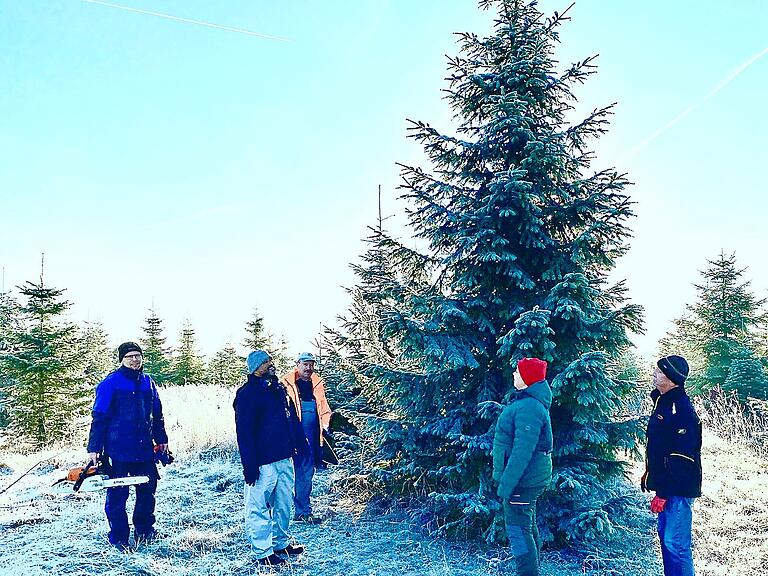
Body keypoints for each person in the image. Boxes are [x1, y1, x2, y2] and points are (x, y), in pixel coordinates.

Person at [86, 341, 169, 551]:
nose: (135, 359)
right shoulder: (111, 383)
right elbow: (99, 417)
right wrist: (94, 449)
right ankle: (119, 537)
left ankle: (145, 531)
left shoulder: (148, 382)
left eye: (137, 355)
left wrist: (162, 440)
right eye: (130, 356)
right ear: (122, 359)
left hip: (144, 450)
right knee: (117, 495)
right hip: (117, 451)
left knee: (147, 492)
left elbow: (157, 415)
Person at [234, 350, 308, 566]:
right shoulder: (247, 394)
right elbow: (244, 432)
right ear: (255, 367)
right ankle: (263, 552)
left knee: (284, 504)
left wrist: (301, 444)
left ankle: (280, 543)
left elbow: (291, 418)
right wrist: (249, 465)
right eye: (266, 362)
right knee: (258, 506)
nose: (271, 364)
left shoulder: (279, 389)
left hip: (284, 457)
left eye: (270, 360)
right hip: (262, 462)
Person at [492, 357, 553, 576]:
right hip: (528, 478)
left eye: (518, 373)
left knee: (518, 530)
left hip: (523, 480)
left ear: (528, 379)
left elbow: (522, 451)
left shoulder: (529, 407)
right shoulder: (528, 403)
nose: (514, 375)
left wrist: (506, 485)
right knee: (526, 525)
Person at [642, 355, 701, 576]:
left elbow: (680, 457)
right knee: (667, 540)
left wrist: (664, 492)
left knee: (676, 544)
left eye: (658, 372)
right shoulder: (664, 402)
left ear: (671, 379)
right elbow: (659, 448)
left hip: (679, 488)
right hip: (667, 486)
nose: (654, 375)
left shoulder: (681, 409)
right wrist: (652, 479)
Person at [280, 351, 333, 523]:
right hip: (288, 436)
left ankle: (302, 512)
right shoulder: (285, 383)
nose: (308, 368)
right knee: (281, 474)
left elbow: (324, 409)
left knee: (305, 473)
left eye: (311, 364)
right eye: (305, 364)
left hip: (310, 436)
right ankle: (275, 512)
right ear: (297, 365)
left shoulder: (317, 384)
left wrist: (326, 428)